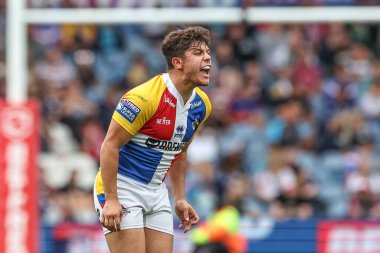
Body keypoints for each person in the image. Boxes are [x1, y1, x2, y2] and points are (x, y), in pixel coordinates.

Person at [93, 26, 212, 253]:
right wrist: (111, 199)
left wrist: (179, 198)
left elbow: (180, 152)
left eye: (208, 52)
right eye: (198, 53)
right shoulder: (143, 97)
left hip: (157, 191)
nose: (207, 57)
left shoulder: (202, 105)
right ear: (177, 62)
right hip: (123, 187)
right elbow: (109, 146)